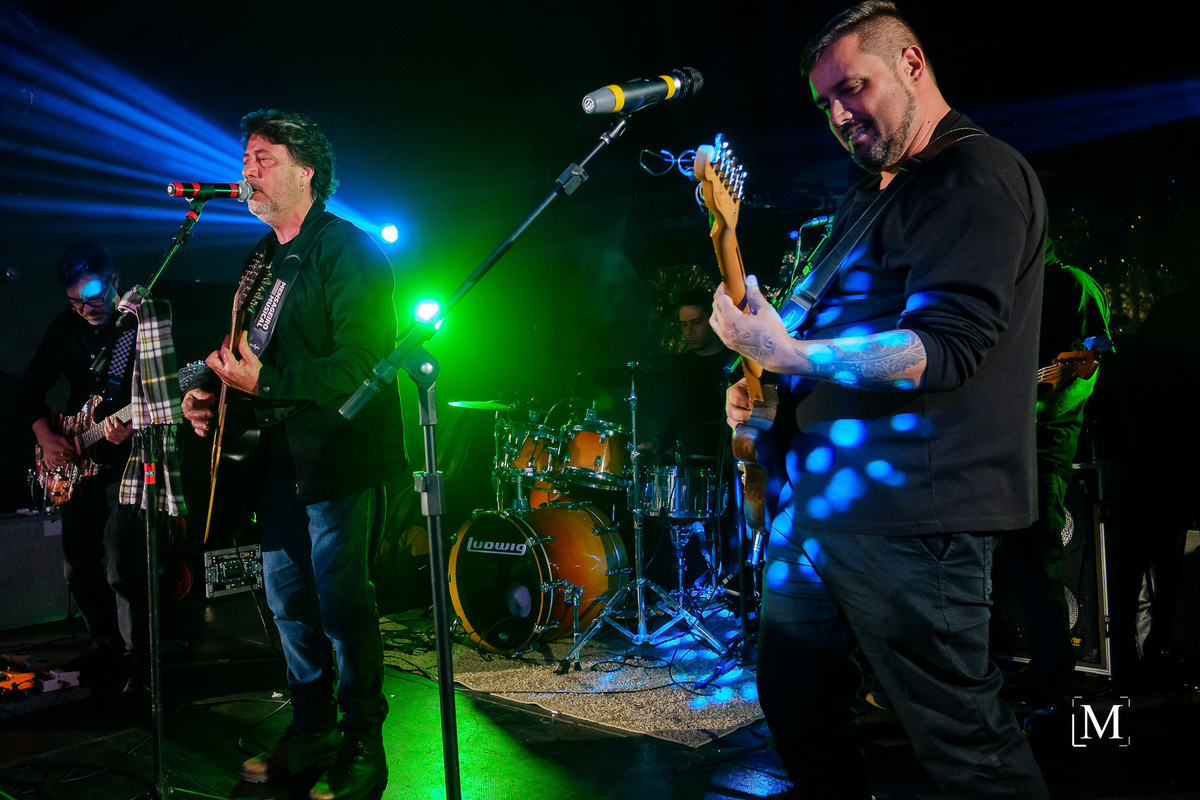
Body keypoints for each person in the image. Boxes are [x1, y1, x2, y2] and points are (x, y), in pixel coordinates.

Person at [709, 3, 1050, 797]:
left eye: (852, 88)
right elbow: (819, 337)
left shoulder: (975, 175)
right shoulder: (871, 196)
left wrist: (789, 354)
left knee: (964, 746)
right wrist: (769, 386)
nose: (839, 114)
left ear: (911, 64)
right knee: (796, 703)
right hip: (818, 507)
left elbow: (945, 346)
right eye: (824, 102)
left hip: (914, 514)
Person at [181, 110, 405, 800]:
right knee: (287, 604)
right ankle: (312, 729)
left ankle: (364, 743)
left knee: (342, 606)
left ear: (306, 172)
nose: (248, 171)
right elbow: (253, 358)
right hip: (278, 462)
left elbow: (365, 363)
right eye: (246, 159)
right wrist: (213, 396)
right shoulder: (262, 259)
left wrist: (267, 384)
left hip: (338, 458)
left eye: (264, 158)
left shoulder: (349, 250)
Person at [17, 241, 147, 700]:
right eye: (75, 302)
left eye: (93, 297)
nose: (87, 309)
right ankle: (105, 648)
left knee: (123, 567)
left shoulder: (139, 325)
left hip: (128, 460)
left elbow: (162, 396)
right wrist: (46, 437)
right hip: (78, 458)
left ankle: (139, 663)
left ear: (114, 281)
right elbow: (28, 389)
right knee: (78, 568)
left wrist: (132, 427)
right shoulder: (65, 327)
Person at [1003, 238, 1110, 737]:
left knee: (1035, 562)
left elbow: (1085, 369)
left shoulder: (1070, 283)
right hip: (989, 446)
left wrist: (1025, 412)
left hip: (1040, 446)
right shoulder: (1000, 286)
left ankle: (1056, 692)